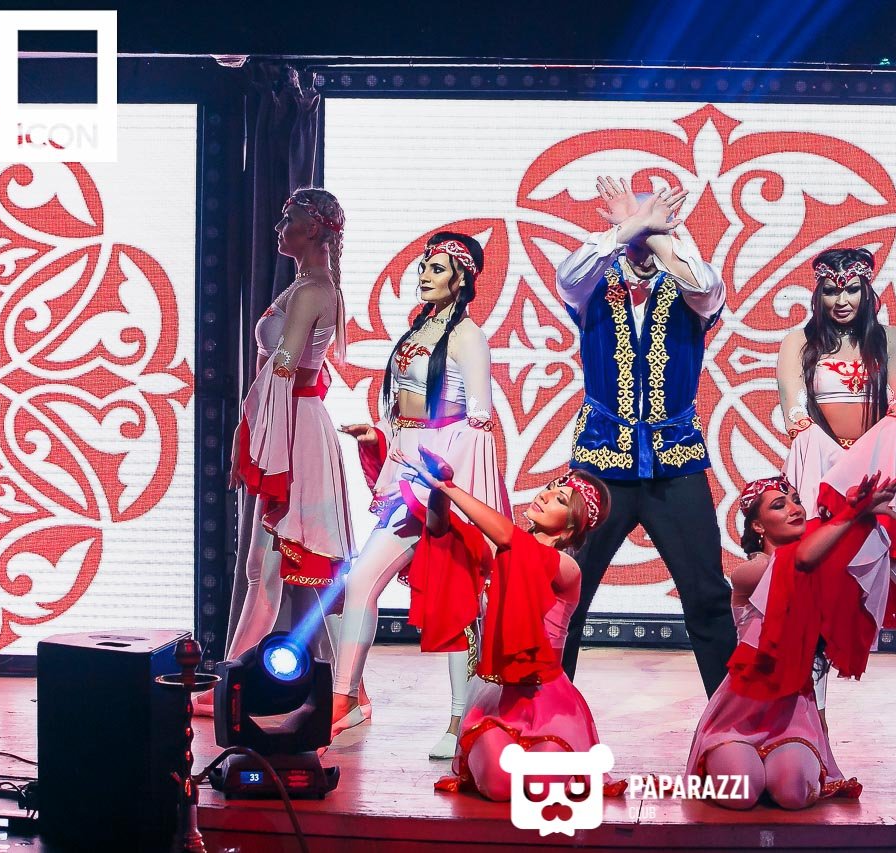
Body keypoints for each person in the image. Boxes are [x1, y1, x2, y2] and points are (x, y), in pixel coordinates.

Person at [775, 247, 896, 768]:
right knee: (814, 607)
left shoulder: (892, 341)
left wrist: (866, 481)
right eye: (831, 290)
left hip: (881, 485)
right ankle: (814, 738)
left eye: (851, 289)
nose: (841, 300)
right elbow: (795, 412)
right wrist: (835, 476)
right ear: (818, 294)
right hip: (825, 485)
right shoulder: (799, 342)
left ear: (867, 290)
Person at [330, 233, 509, 760]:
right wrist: (379, 437)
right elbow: (408, 412)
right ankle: (346, 698)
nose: (425, 275)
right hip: (409, 470)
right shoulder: (420, 327)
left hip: (447, 475)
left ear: (463, 277)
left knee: (461, 598)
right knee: (360, 579)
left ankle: (461, 717)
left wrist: (450, 491)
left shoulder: (468, 336)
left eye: (437, 268)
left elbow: (478, 421)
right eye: (424, 267)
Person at [555, 176, 736, 698]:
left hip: (675, 461)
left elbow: (705, 288)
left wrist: (654, 231)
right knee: (567, 593)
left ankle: (731, 720)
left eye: (652, 220)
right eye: (637, 221)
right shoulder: (593, 281)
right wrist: (630, 225)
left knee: (706, 594)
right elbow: (567, 275)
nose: (641, 232)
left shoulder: (689, 283)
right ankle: (548, 717)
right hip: (600, 464)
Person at [197, 188, 357, 719]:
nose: (279, 225)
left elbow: (283, 371)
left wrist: (260, 447)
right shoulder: (306, 286)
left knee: (276, 568)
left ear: (313, 229)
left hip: (293, 433)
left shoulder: (313, 291)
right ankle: (341, 686)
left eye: (289, 217)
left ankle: (234, 682)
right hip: (291, 425)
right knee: (277, 569)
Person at [400, 447, 624, 802]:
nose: (545, 495)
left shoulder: (566, 569)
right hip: (498, 699)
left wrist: (452, 488)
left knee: (541, 787)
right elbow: (440, 529)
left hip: (549, 703)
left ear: (570, 527)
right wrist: (438, 490)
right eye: (549, 489)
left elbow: (511, 540)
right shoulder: (503, 555)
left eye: (559, 499)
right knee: (499, 785)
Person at [687, 475, 894, 809]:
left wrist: (864, 517)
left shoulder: (814, 567)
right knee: (742, 794)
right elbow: (801, 560)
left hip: (791, 713)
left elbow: (843, 561)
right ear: (758, 526)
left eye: (796, 501)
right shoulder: (751, 573)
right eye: (779, 505)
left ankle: (776, 771)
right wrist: (850, 513)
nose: (794, 509)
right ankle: (743, 766)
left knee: (794, 794)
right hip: (739, 716)